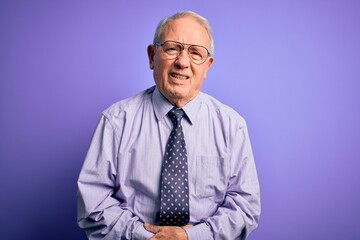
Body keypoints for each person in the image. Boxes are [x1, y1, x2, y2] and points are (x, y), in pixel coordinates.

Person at [77, 11, 260, 240]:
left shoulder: (232, 127)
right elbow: (93, 205)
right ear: (152, 56)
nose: (182, 62)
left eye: (195, 53)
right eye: (172, 48)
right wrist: (143, 236)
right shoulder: (116, 122)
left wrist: (192, 237)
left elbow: (245, 207)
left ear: (208, 66)